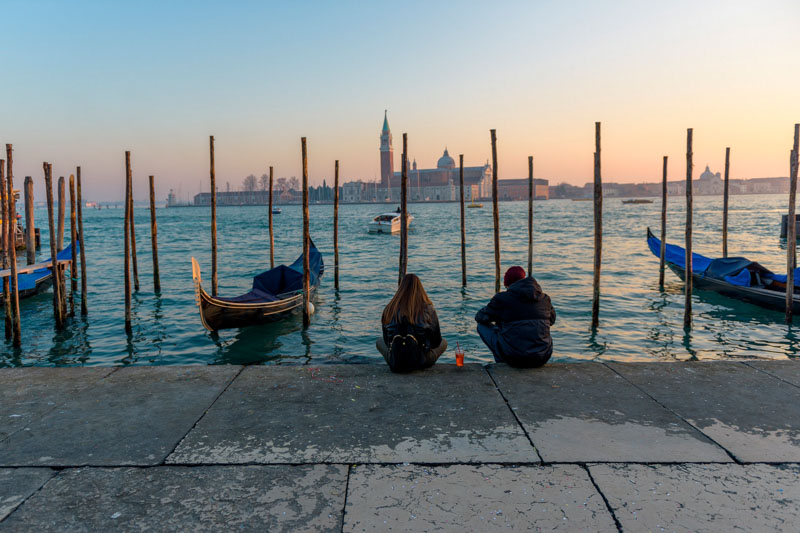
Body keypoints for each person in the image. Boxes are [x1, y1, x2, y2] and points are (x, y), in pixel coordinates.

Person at [475, 266, 556, 368]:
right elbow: (552, 321)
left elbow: (480, 317)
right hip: (542, 357)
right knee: (542, 326)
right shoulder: (545, 298)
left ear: (508, 285)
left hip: (513, 358)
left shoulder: (502, 299)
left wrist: (499, 319)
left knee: (481, 326)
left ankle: (501, 362)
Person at [377, 273, 448, 372]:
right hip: (420, 362)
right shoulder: (428, 308)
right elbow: (436, 342)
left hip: (396, 361)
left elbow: (386, 341)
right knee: (444, 343)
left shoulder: (390, 308)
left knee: (379, 341)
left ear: (400, 288)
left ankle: (399, 361)